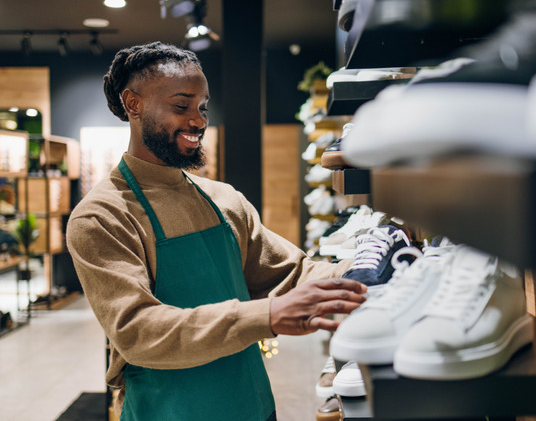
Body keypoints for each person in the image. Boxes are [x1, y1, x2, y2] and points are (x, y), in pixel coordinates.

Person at [66, 41, 366, 421]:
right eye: (181, 106)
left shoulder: (222, 199)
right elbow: (138, 332)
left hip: (251, 403)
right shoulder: (102, 216)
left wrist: (364, 273)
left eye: (202, 107)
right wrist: (266, 316)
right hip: (168, 411)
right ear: (133, 104)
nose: (198, 120)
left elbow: (291, 272)